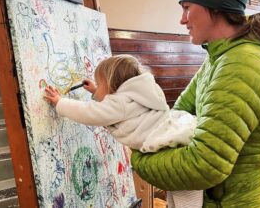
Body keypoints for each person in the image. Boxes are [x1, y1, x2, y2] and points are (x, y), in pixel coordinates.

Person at [130, 0, 260, 207]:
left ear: (214, 6)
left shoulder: (240, 64)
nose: (182, 20)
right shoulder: (218, 57)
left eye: (187, 7)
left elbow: (204, 165)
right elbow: (175, 116)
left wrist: (138, 157)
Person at [44, 54, 203, 207]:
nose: (98, 87)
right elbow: (111, 107)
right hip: (174, 138)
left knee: (185, 193)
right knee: (179, 192)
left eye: (100, 84)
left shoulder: (120, 104)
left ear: (112, 84)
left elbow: (90, 113)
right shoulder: (138, 94)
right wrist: (95, 91)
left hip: (171, 148)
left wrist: (60, 102)